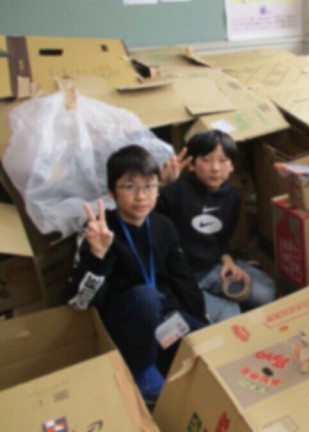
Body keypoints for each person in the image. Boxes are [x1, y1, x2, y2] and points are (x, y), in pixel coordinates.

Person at [66, 145, 207, 404]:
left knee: (210, 342)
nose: (141, 196)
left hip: (161, 317)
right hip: (121, 323)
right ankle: (141, 371)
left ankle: (163, 355)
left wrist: (199, 321)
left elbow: (183, 279)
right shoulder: (98, 230)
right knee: (146, 297)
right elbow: (79, 302)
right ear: (112, 192)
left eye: (149, 186)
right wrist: (97, 256)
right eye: (130, 187)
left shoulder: (163, 226)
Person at [156, 130, 276, 322]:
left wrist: (228, 260)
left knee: (267, 291)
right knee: (231, 314)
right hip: (181, 276)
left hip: (212, 268)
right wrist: (163, 185)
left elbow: (221, 240)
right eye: (206, 160)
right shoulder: (176, 190)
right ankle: (198, 304)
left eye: (223, 160)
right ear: (192, 164)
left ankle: (211, 301)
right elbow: (150, 220)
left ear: (232, 166)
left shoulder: (232, 196)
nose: (215, 168)